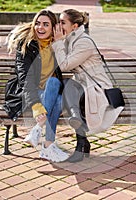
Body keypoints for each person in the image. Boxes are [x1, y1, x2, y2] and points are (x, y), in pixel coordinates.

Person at [52, 9, 124, 163]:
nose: (59, 25)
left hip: (97, 87)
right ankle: (81, 139)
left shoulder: (84, 42)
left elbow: (64, 65)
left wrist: (57, 42)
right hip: (83, 86)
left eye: (63, 22)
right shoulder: (70, 40)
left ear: (75, 26)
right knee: (69, 87)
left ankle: (80, 139)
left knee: (70, 88)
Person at [5, 9, 69, 162]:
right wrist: (36, 106)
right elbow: (25, 80)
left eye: (46, 24)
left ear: (53, 28)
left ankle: (38, 130)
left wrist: (59, 43)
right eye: (38, 24)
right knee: (57, 98)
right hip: (29, 93)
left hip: (50, 91)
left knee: (54, 84)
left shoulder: (57, 44)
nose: (40, 28)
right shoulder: (26, 45)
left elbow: (66, 64)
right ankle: (48, 145)